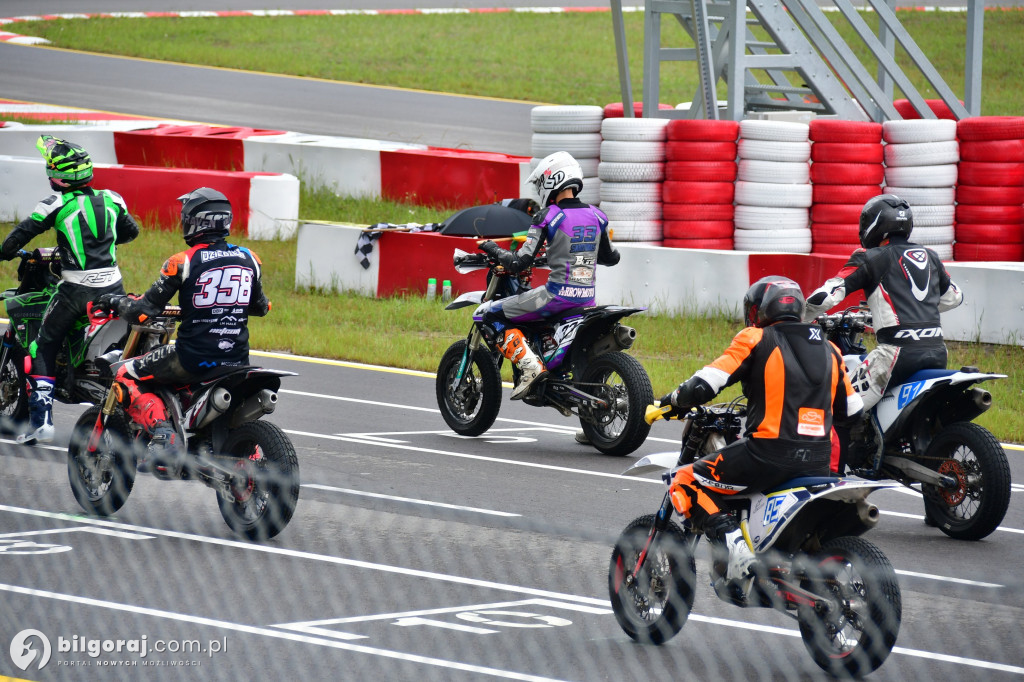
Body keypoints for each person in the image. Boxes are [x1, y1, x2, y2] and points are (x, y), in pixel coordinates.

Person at [659, 276, 863, 586]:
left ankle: (735, 547)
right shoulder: (831, 349)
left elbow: (707, 382)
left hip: (767, 455)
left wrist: (673, 400)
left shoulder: (755, 337)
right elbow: (853, 412)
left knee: (684, 479)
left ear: (761, 311)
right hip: (818, 462)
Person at [95, 187, 270, 469]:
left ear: (197, 221)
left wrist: (115, 302)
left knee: (125, 373)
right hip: (237, 359)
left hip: (192, 357)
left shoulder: (182, 262)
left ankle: (165, 435)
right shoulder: (251, 259)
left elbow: (142, 311)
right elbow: (261, 307)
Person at [0, 135, 139, 444]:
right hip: (114, 285)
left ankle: (42, 422)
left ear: (60, 177)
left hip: (76, 290)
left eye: (51, 170)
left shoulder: (56, 203)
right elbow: (130, 232)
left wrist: (4, 251)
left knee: (41, 345)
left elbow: (19, 237)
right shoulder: (114, 199)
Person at [476, 151, 620, 399]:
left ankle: (530, 366)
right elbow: (611, 258)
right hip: (587, 300)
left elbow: (519, 263)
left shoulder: (548, 216)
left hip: (556, 297)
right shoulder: (598, 216)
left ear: (552, 181)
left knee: (487, 313)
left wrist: (493, 248)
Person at [802, 194, 964, 412]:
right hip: (937, 352)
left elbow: (827, 295)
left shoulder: (870, 256)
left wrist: (799, 317)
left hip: (895, 354)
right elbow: (954, 297)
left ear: (874, 225)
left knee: (838, 405)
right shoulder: (931, 256)